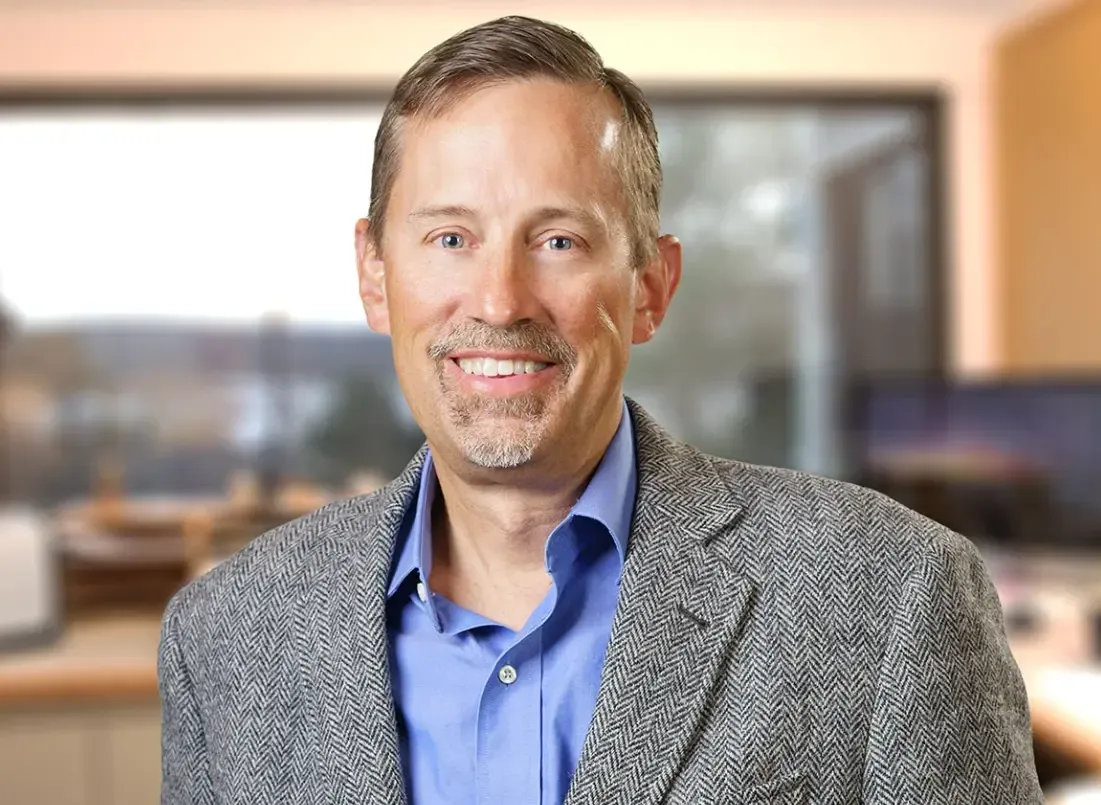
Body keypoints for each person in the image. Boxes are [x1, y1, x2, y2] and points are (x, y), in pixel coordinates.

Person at [158, 15, 1042, 805]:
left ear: (650, 286)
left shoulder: (890, 598)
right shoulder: (226, 638)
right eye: (449, 238)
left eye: (558, 240)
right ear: (373, 274)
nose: (499, 301)